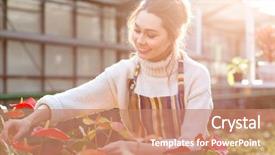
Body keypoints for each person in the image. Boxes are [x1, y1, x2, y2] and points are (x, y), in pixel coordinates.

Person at [1, 0, 213, 154]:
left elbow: (191, 145)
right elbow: (72, 100)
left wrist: (134, 147)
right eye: (137, 30)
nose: (140, 40)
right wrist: (29, 121)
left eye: (151, 35)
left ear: (173, 37)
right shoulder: (125, 74)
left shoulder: (195, 76)